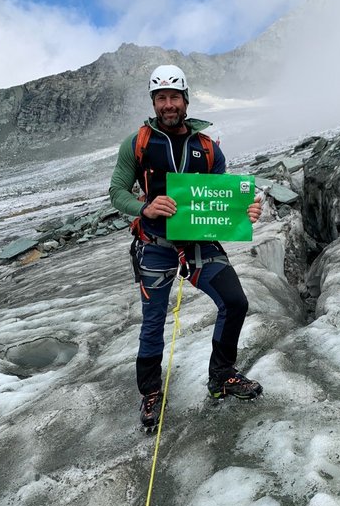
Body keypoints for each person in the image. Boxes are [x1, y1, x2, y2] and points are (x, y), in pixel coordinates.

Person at [109, 64, 263, 429]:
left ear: (185, 100)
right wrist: (143, 207)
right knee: (153, 322)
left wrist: (245, 210)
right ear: (153, 101)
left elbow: (222, 198)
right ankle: (150, 392)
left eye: (174, 97)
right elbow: (117, 191)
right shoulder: (137, 144)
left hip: (198, 243)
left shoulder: (207, 147)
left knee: (235, 302)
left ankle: (221, 376)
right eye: (160, 97)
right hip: (155, 243)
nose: (167, 104)